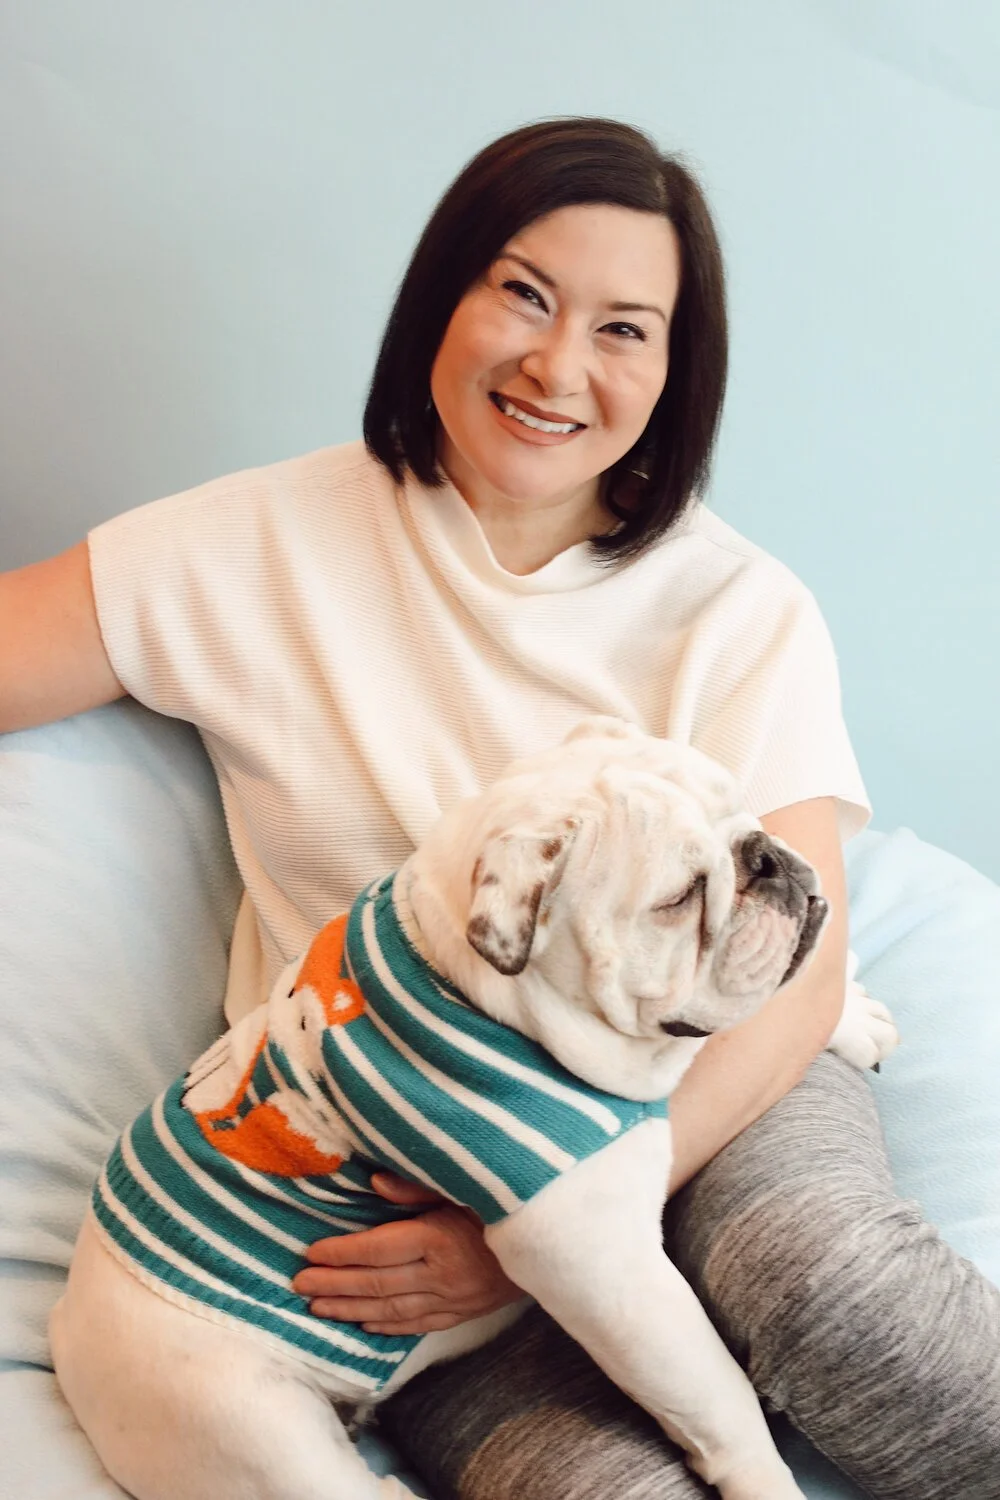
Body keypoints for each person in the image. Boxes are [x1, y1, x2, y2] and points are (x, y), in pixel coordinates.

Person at [2, 117, 997, 1499]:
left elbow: (801, 970)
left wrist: (565, 1216)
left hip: (714, 1084)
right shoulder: (251, 543)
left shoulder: (737, 605)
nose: (557, 366)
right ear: (443, 296)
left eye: (624, 329)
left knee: (830, 1287)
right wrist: (498, 1238)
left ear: (674, 371)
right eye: (524, 294)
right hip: (409, 1187)